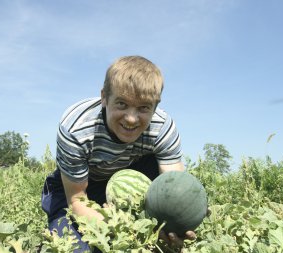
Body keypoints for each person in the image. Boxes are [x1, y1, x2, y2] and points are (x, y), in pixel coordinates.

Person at [41, 56, 196, 252]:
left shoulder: (163, 128)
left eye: (143, 108)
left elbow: (174, 189)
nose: (131, 119)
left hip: (123, 179)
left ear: (155, 106)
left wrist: (175, 222)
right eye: (121, 104)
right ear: (104, 97)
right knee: (72, 248)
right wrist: (120, 227)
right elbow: (76, 200)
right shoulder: (76, 128)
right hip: (74, 188)